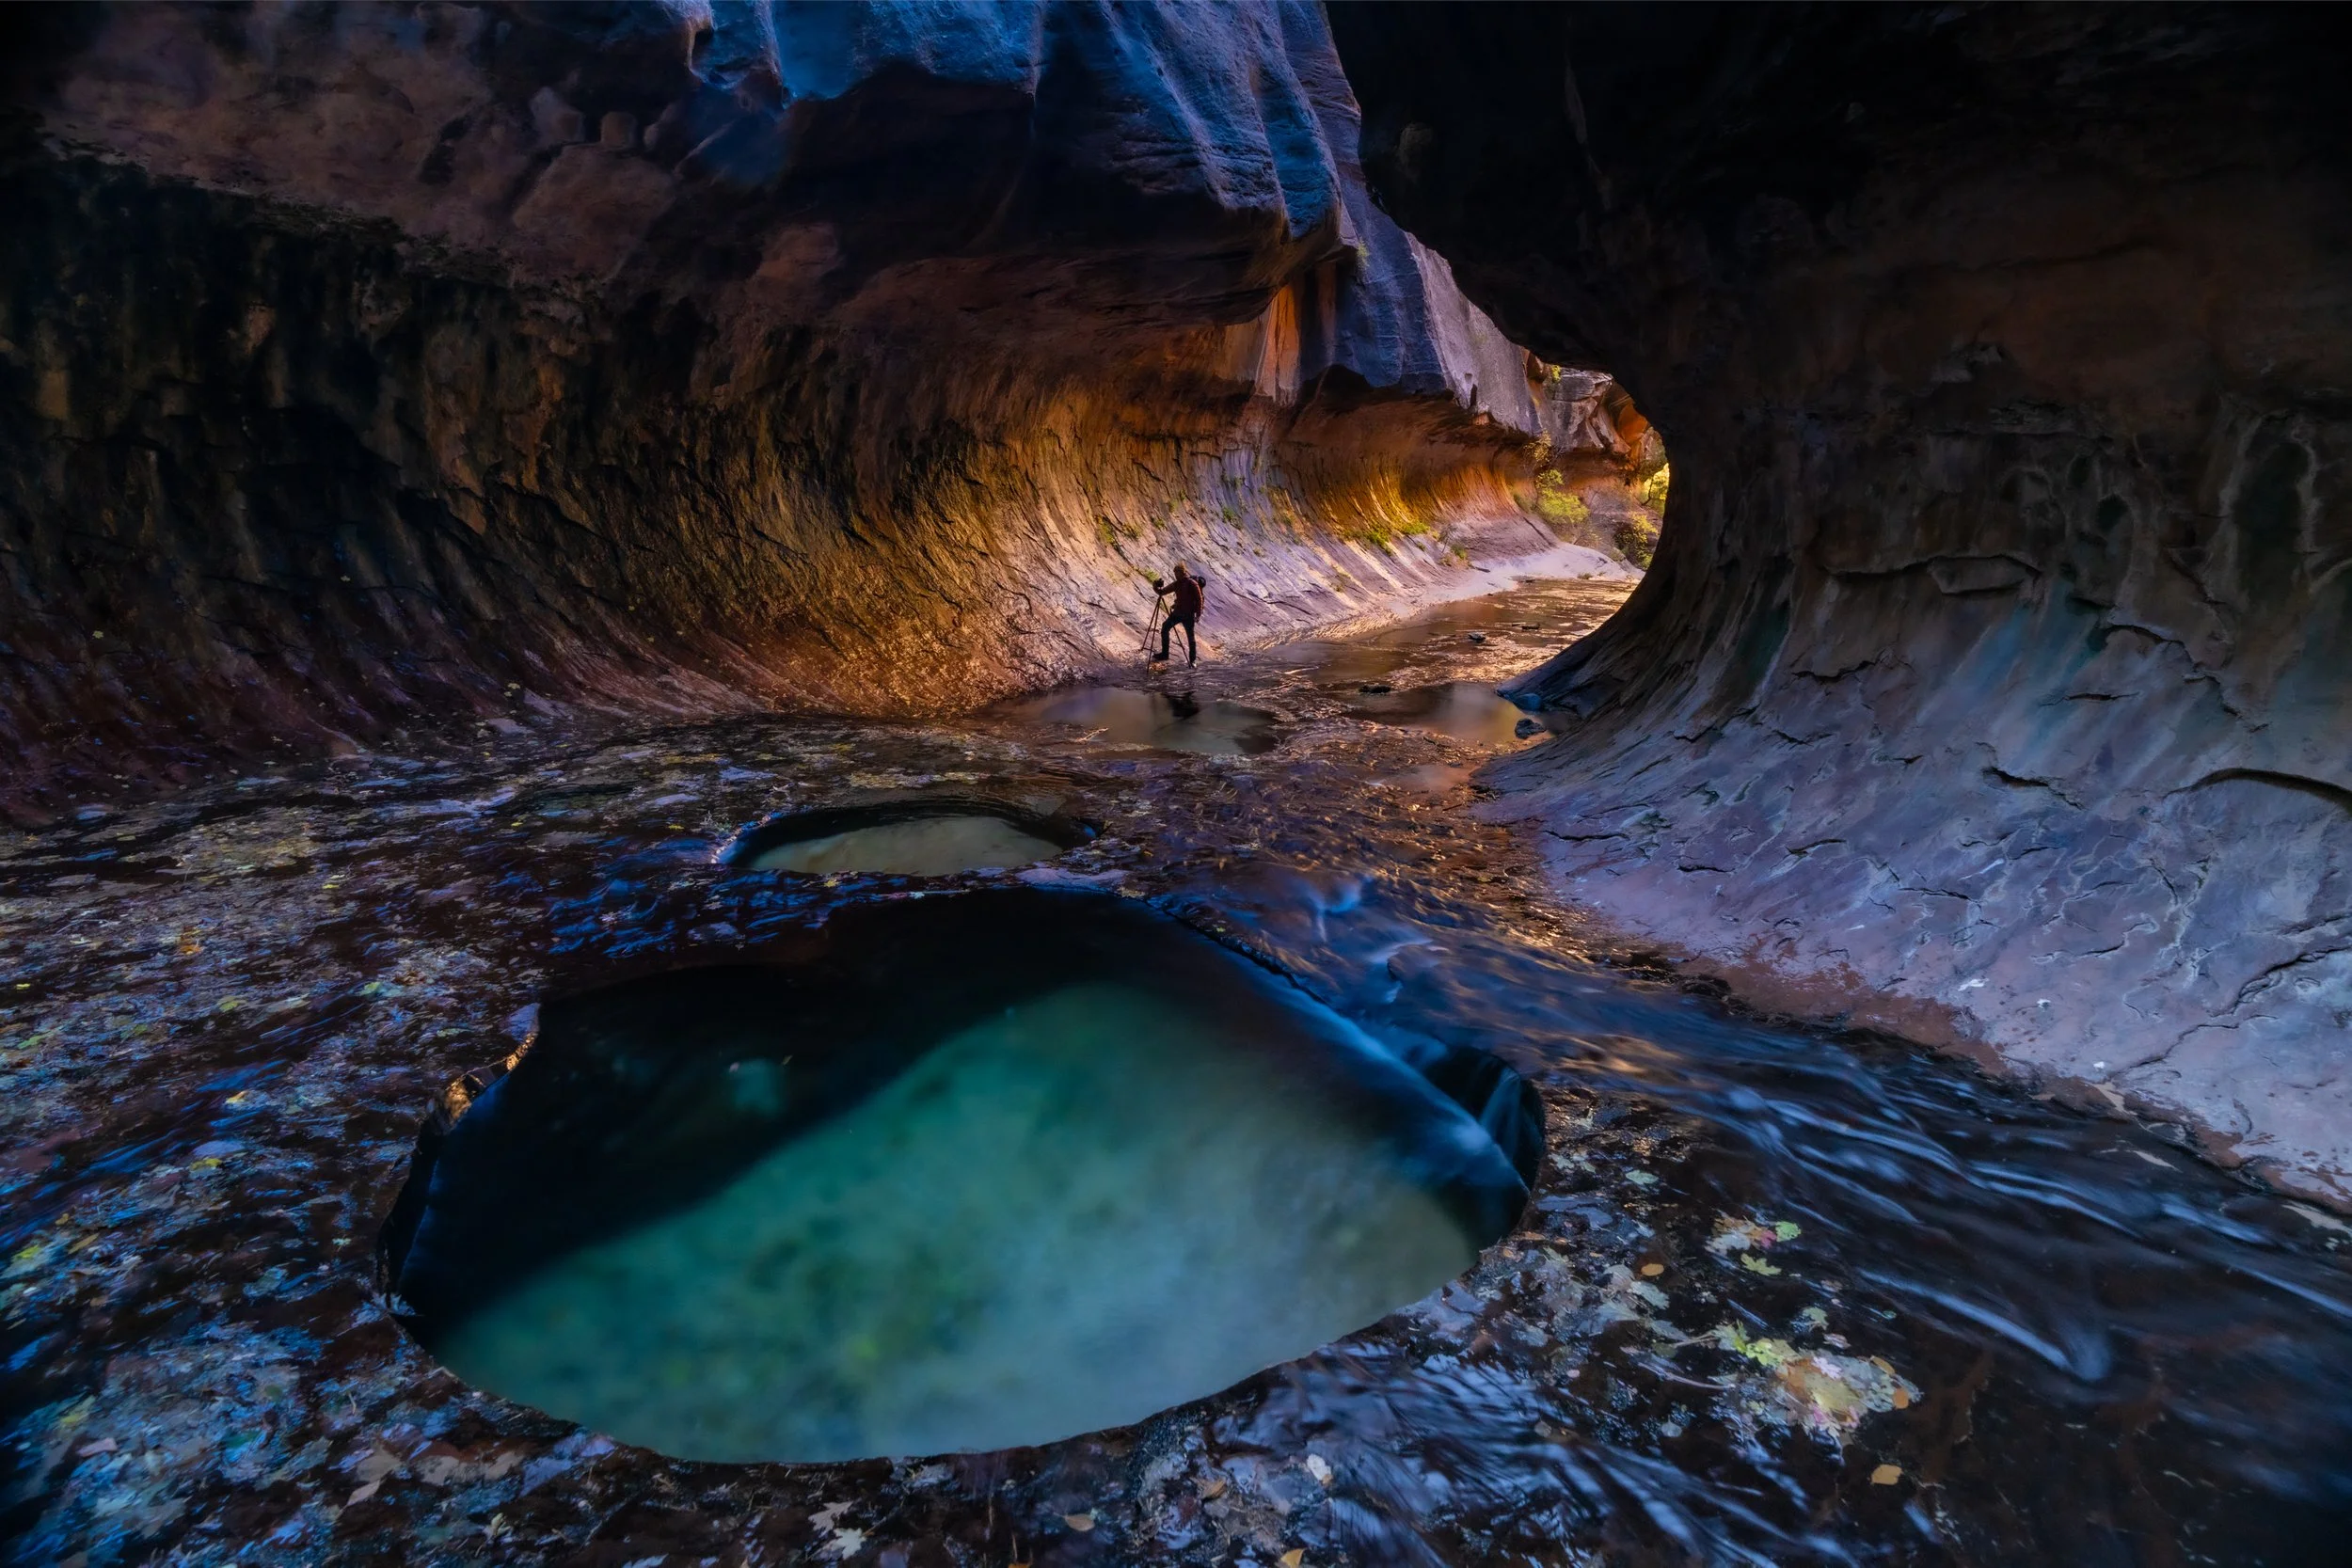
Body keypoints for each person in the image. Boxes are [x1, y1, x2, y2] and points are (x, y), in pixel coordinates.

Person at [1148, 562, 1206, 665]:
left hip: (1188, 615)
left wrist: (1198, 614)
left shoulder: (1192, 583)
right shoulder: (1176, 584)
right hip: (1178, 613)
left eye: (1177, 573)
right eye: (1175, 573)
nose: (1175, 575)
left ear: (1182, 572)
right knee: (1165, 627)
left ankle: (1192, 661)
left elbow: (1199, 599)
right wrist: (1155, 586)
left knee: (1190, 637)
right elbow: (1162, 592)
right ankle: (1165, 654)